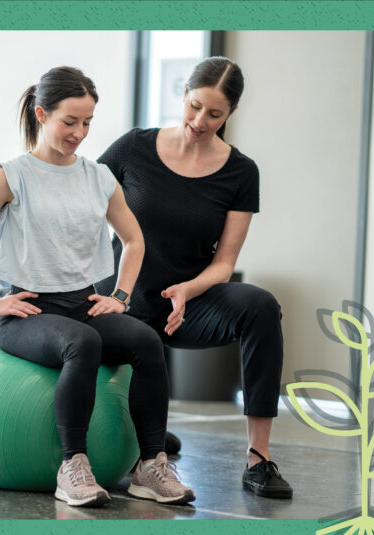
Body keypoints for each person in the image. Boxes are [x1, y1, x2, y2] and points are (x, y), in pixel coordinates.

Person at [0, 66, 195, 508]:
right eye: (69, 121)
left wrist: (119, 296)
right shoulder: (12, 175)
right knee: (82, 343)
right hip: (31, 313)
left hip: (84, 303)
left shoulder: (97, 176)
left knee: (145, 340)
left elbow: (134, 240)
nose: (78, 132)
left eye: (87, 123)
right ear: (41, 114)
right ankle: (72, 466)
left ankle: (150, 465)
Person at [96, 57, 293, 499]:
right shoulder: (134, 147)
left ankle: (258, 460)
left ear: (231, 115)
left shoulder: (241, 172)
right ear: (184, 93)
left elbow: (224, 262)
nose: (199, 121)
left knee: (261, 306)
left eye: (214, 114)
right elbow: (77, 199)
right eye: (194, 106)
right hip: (122, 297)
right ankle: (146, 436)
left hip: (189, 301)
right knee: (131, 347)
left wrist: (189, 289)